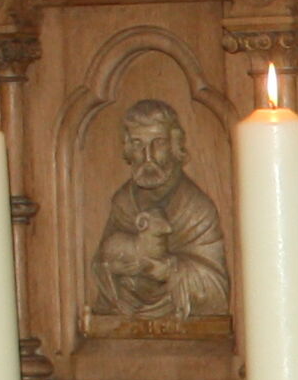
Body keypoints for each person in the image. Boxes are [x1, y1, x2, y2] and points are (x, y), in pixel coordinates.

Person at [92, 100, 232, 320]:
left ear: (175, 146)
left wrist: (169, 271)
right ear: (128, 148)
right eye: (138, 144)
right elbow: (102, 267)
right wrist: (120, 268)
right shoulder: (123, 202)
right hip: (124, 327)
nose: (148, 156)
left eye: (158, 143)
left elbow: (216, 289)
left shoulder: (195, 208)